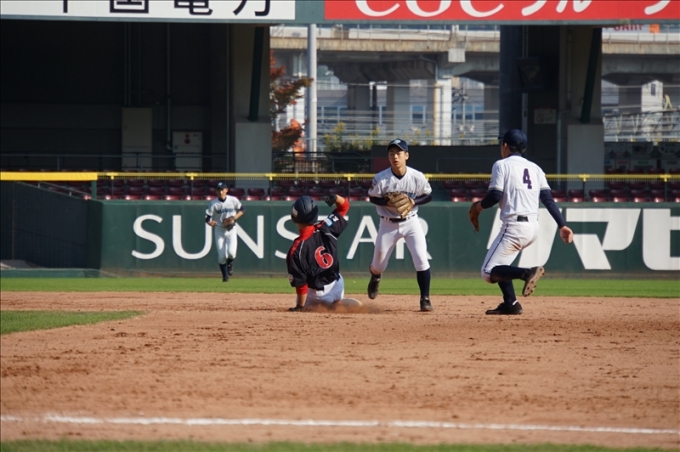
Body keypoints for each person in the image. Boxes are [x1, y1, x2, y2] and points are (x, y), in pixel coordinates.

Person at [470, 129, 573, 315]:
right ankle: (511, 303)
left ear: (505, 146)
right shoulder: (536, 169)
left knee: (488, 271)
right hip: (532, 227)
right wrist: (562, 225)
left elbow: (495, 195)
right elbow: (548, 199)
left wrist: (477, 207)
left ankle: (526, 273)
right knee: (502, 265)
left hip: (514, 227)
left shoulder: (501, 165)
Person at [366, 138, 434, 312]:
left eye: (398, 153)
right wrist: (386, 203)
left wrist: (414, 201)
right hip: (387, 224)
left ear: (406, 155)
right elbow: (372, 197)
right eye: (391, 153)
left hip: (411, 222)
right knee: (378, 266)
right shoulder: (381, 178)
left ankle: (425, 299)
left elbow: (428, 195)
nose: (395, 157)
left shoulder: (416, 176)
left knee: (421, 259)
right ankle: (375, 277)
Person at [286, 194, 362, 312]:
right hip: (337, 286)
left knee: (304, 303)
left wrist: (300, 307)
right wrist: (336, 198)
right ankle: (337, 302)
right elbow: (344, 206)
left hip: (317, 295)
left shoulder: (297, 249)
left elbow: (301, 284)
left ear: (294, 216)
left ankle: (326, 304)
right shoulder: (326, 227)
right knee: (335, 280)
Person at [205, 182, 245, 282]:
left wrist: (234, 218)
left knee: (232, 253)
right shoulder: (213, 203)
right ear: (216, 191)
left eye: (222, 189)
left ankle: (229, 263)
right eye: (218, 190)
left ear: (226, 190)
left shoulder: (233, 200)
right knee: (221, 256)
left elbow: (242, 209)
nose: (220, 191)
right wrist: (210, 222)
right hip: (219, 230)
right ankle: (225, 277)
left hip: (231, 229)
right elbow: (207, 218)